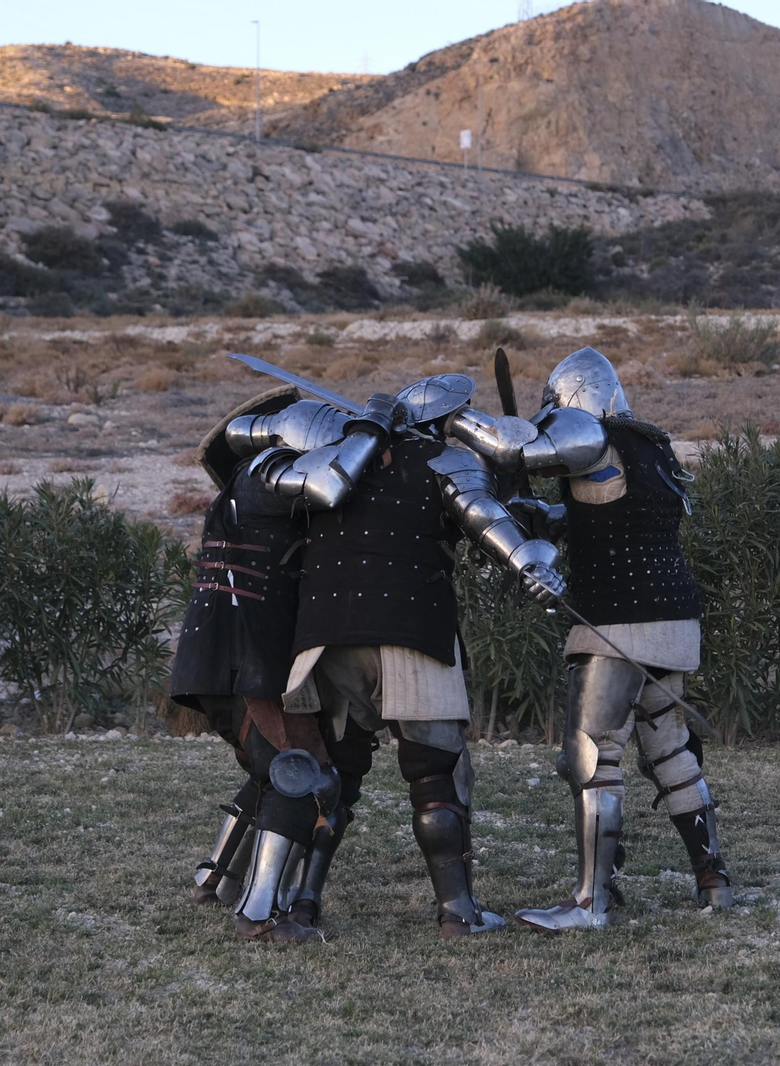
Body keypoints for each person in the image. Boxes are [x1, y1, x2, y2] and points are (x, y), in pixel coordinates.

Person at [235, 374, 566, 939]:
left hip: (325, 636)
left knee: (332, 775)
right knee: (439, 776)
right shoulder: (447, 461)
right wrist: (534, 566)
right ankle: (458, 914)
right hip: (412, 630)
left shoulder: (331, 459)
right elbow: (488, 520)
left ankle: (302, 906)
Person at [445, 347, 735, 931]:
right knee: (670, 751)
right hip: (673, 618)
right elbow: (607, 519)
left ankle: (591, 902)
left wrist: (449, 416)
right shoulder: (652, 448)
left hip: (619, 622)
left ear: (570, 401)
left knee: (591, 758)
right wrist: (538, 512)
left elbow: (511, 446)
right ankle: (713, 880)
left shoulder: (589, 431)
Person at [171, 388, 373, 942]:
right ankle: (261, 914)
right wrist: (370, 432)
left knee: (271, 769)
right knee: (300, 774)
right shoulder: (268, 480)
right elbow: (334, 486)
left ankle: (215, 876)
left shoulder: (243, 486)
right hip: (246, 661)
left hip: (218, 660)